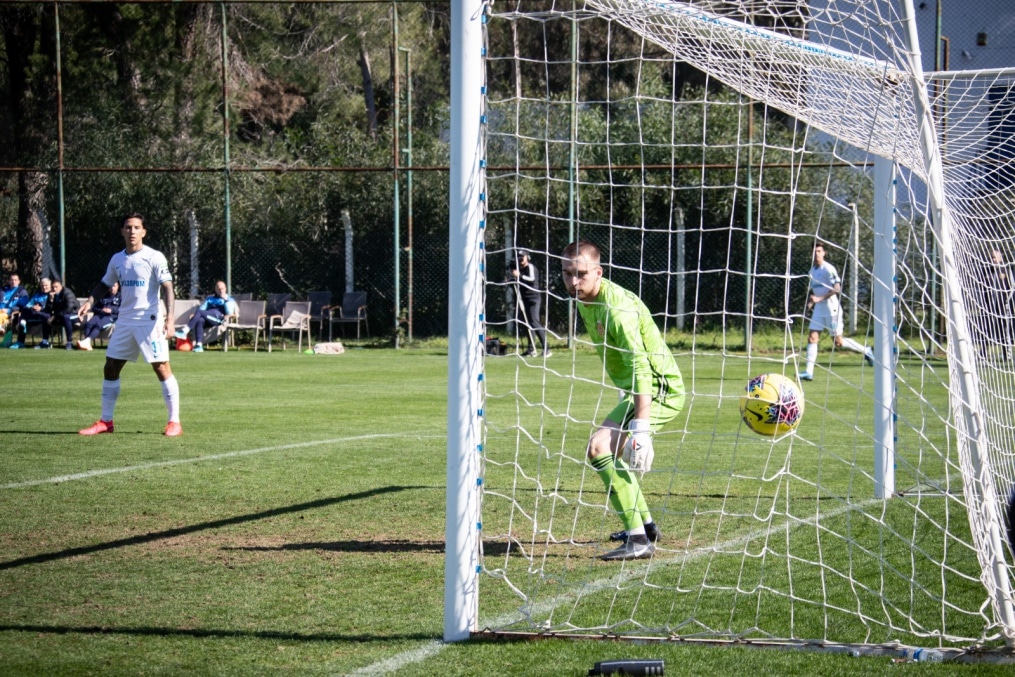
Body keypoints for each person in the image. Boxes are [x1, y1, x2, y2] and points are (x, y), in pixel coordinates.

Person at [560, 240, 686, 561]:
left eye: (581, 274)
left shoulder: (617, 309)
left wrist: (640, 429)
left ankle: (638, 541)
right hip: (639, 390)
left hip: (658, 389)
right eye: (567, 274)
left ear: (598, 272)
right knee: (605, 450)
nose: (573, 282)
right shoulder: (584, 297)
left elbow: (641, 367)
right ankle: (645, 525)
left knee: (599, 447)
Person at [76, 212, 183, 437]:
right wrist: (89, 302)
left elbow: (167, 288)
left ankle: (174, 422)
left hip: (149, 321)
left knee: (161, 367)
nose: (132, 231)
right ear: (122, 231)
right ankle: (106, 421)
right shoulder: (117, 259)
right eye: (128, 227)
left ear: (143, 232)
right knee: (111, 367)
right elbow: (105, 284)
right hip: (124, 321)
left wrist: (170, 318)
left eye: (136, 227)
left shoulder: (155, 257)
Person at [799, 242, 874, 381]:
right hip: (819, 310)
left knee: (838, 342)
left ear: (824, 253)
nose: (816, 254)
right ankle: (809, 372)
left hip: (832, 309)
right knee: (812, 338)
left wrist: (819, 298)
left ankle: (867, 351)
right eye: (814, 251)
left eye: (819, 251)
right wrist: (808, 308)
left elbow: (837, 289)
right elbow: (813, 294)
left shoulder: (828, 269)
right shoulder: (812, 272)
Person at [507, 249, 550, 357]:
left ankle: (546, 348)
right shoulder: (519, 269)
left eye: (523, 257)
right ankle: (531, 349)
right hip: (524, 298)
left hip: (533, 298)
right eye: (519, 257)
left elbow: (532, 279)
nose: (521, 259)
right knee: (526, 323)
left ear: (527, 257)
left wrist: (519, 275)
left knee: (534, 322)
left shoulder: (530, 267)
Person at [175, 280, 237, 353]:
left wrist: (225, 299)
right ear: (215, 289)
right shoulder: (210, 299)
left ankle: (185, 330)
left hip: (218, 319)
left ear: (225, 289)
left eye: (222, 288)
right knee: (199, 320)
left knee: (199, 312)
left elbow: (229, 312)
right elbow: (202, 309)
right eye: (219, 289)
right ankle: (199, 345)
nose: (221, 290)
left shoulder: (229, 299)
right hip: (208, 318)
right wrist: (195, 316)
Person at [980, 248, 1013, 361]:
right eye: (991, 257)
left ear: (1000, 258)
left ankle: (1006, 354)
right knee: (986, 330)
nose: (992, 259)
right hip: (988, 307)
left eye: (995, 257)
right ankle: (983, 353)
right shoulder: (986, 270)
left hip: (1002, 305)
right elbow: (981, 287)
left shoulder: (1006, 269)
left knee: (1004, 330)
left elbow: (1012, 287)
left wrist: (1007, 301)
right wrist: (983, 302)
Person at [9, 278, 53, 349]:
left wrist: (41, 308)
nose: (44, 287)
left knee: (47, 317)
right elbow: (28, 304)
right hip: (34, 313)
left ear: (50, 286)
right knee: (23, 312)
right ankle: (20, 342)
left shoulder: (52, 295)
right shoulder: (37, 295)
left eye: (46, 285)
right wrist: (32, 306)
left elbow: (53, 306)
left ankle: (45, 342)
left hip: (46, 313)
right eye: (42, 286)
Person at [76, 281, 121, 351]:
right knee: (89, 323)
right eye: (111, 286)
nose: (112, 288)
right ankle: (87, 343)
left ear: (118, 286)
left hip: (112, 317)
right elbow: (95, 308)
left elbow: (123, 309)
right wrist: (102, 310)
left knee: (98, 325)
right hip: (100, 315)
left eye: (114, 286)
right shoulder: (103, 296)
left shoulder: (121, 297)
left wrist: (111, 310)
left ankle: (86, 342)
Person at [49, 279, 81, 349]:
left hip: (74, 315)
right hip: (61, 315)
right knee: (46, 317)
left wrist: (55, 316)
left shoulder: (67, 293)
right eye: (53, 287)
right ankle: (45, 341)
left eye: (56, 287)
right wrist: (51, 300)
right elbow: (52, 309)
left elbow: (69, 309)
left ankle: (69, 342)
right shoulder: (55, 295)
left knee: (66, 317)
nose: (54, 289)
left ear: (61, 286)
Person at [0, 273, 28, 341]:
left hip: (10, 313)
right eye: (11, 280)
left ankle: (1, 328)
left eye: (15, 280)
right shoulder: (2, 290)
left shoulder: (22, 292)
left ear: (19, 281)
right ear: (9, 281)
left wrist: (9, 310)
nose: (13, 282)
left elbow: (22, 305)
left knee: (2, 315)